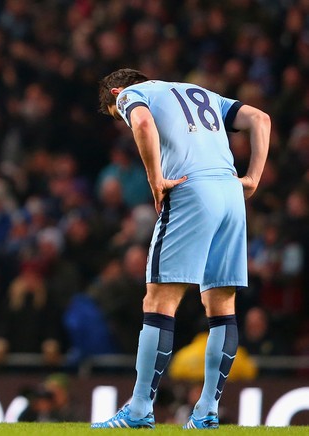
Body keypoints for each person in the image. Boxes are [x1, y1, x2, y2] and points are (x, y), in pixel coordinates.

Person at [91, 69, 270, 429]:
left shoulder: (130, 95)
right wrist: (253, 177)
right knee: (221, 306)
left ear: (117, 91)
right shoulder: (199, 92)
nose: (121, 118)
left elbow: (141, 123)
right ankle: (206, 412)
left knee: (158, 301)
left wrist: (155, 179)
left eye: (115, 114)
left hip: (191, 191)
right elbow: (259, 118)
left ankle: (140, 409)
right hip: (231, 193)